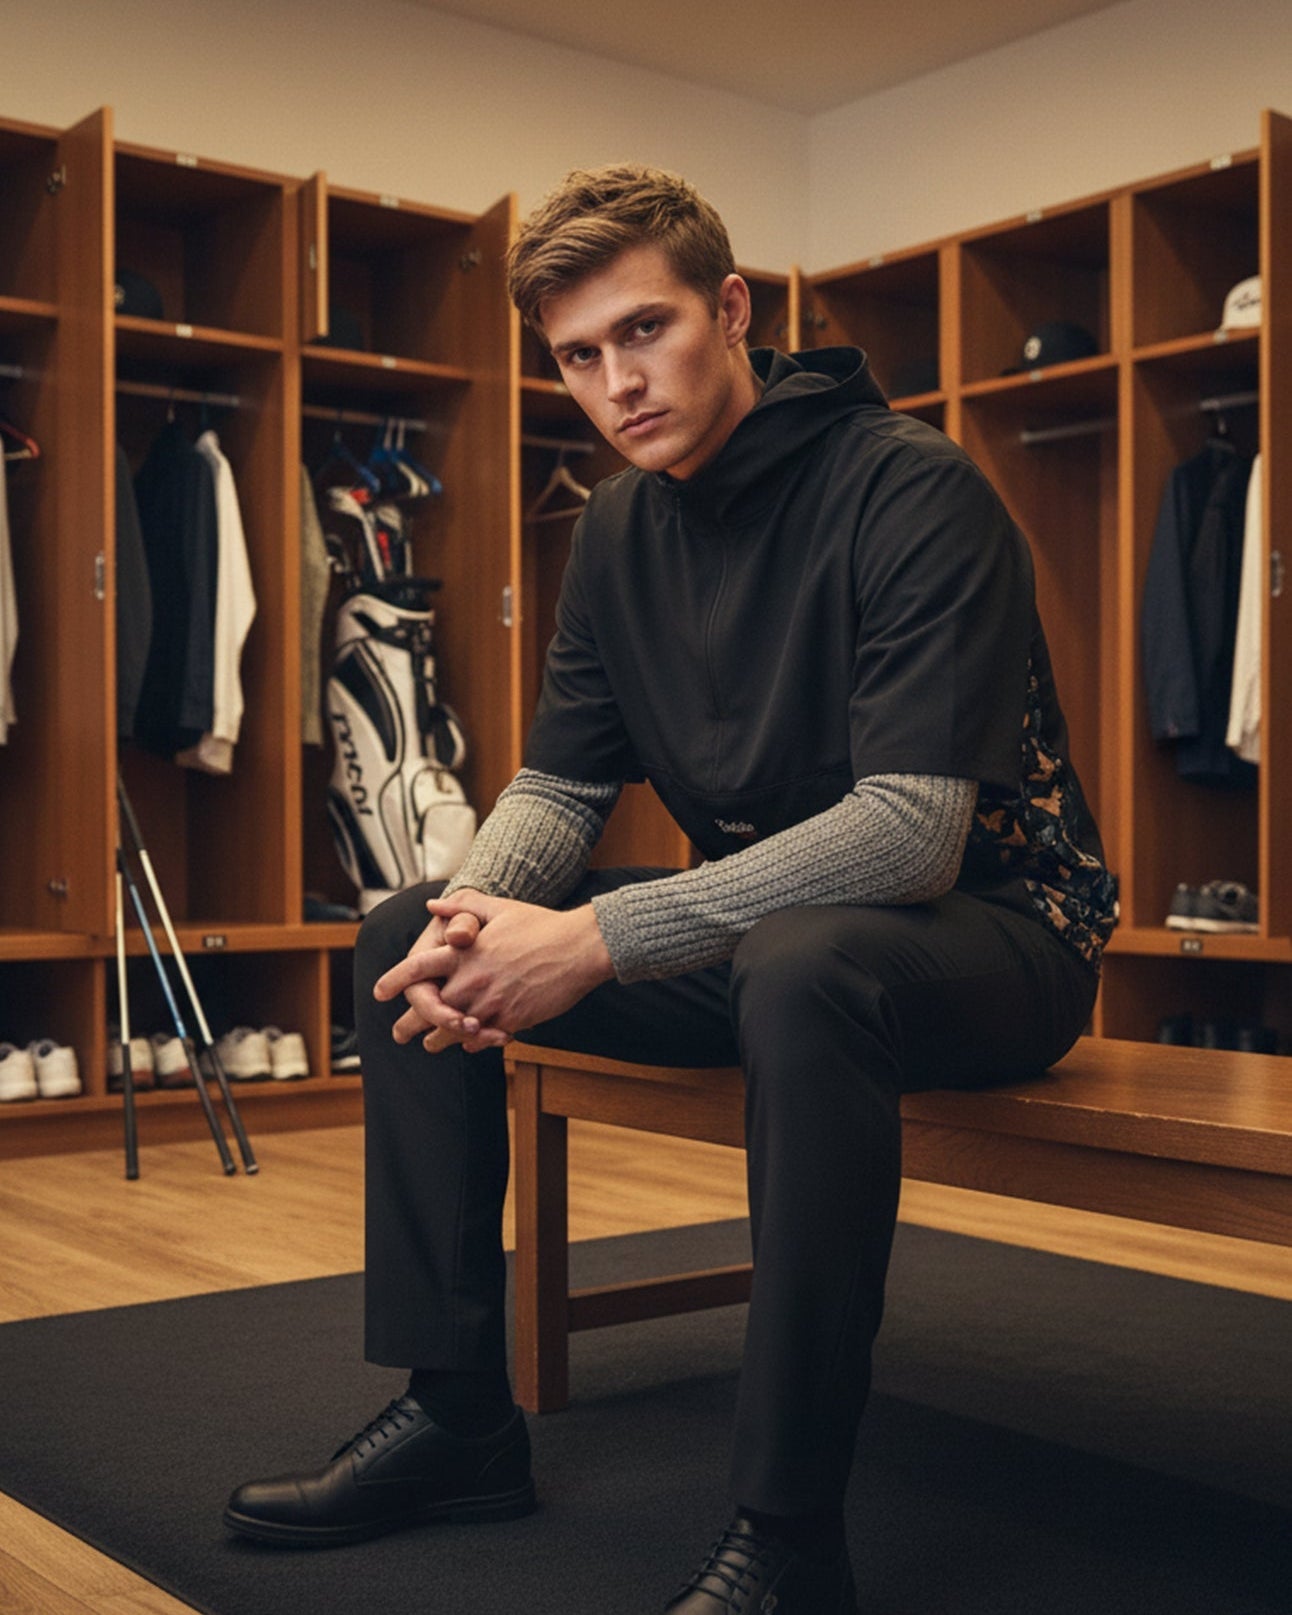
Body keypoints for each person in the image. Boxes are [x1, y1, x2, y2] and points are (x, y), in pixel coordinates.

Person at [224, 164, 1118, 1612]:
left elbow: (910, 837)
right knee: (402, 932)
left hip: (1000, 941)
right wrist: (475, 921)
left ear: (734, 308)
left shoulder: (913, 489)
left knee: (807, 962)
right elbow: (565, 789)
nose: (617, 384)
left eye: (645, 331)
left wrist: (598, 937)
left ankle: (789, 1536)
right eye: (579, 357)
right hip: (768, 941)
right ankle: (458, 1418)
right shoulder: (620, 534)